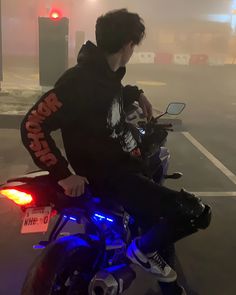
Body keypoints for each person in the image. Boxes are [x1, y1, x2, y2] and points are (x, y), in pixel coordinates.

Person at [21, 9, 211, 295]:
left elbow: (106, 99)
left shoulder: (104, 77)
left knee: (156, 216)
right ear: (128, 45)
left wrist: (136, 93)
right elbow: (33, 123)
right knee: (196, 212)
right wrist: (62, 174)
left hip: (120, 172)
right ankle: (142, 252)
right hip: (116, 178)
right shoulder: (77, 82)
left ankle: (150, 265)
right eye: (134, 45)